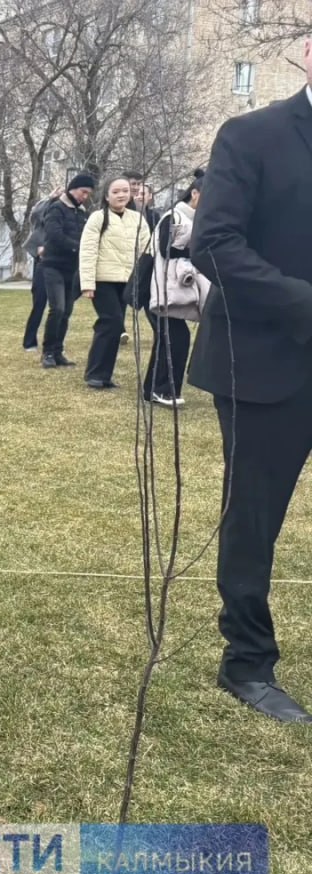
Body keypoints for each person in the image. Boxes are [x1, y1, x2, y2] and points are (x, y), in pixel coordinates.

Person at [186, 47, 312, 723]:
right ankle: (247, 662)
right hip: (268, 366)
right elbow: (215, 242)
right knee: (254, 519)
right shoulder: (253, 136)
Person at [143, 170, 207, 407]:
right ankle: (163, 390)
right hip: (163, 287)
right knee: (174, 339)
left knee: (170, 337)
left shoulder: (197, 219)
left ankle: (153, 389)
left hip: (175, 288)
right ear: (194, 193)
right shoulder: (174, 215)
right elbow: (165, 248)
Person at [78, 177, 149, 389]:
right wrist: (87, 284)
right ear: (107, 195)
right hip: (102, 281)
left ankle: (104, 376)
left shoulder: (138, 219)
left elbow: (147, 250)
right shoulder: (98, 218)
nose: (121, 195)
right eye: (116, 191)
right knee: (111, 321)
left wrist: (144, 279)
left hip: (126, 281)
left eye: (125, 191)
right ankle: (95, 374)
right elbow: (88, 251)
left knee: (115, 325)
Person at [39, 172, 96, 368]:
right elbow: (54, 235)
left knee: (67, 311)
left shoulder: (81, 213)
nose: (85, 197)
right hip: (53, 265)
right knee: (58, 308)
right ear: (73, 188)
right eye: (83, 192)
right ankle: (47, 352)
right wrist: (78, 247)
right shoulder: (56, 209)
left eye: (88, 194)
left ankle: (57, 351)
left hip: (72, 268)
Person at [22, 188, 63, 354]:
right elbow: (35, 216)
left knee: (60, 308)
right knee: (39, 303)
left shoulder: (70, 213)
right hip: (43, 263)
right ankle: (29, 342)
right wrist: (50, 198)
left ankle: (55, 345)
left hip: (62, 263)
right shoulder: (44, 212)